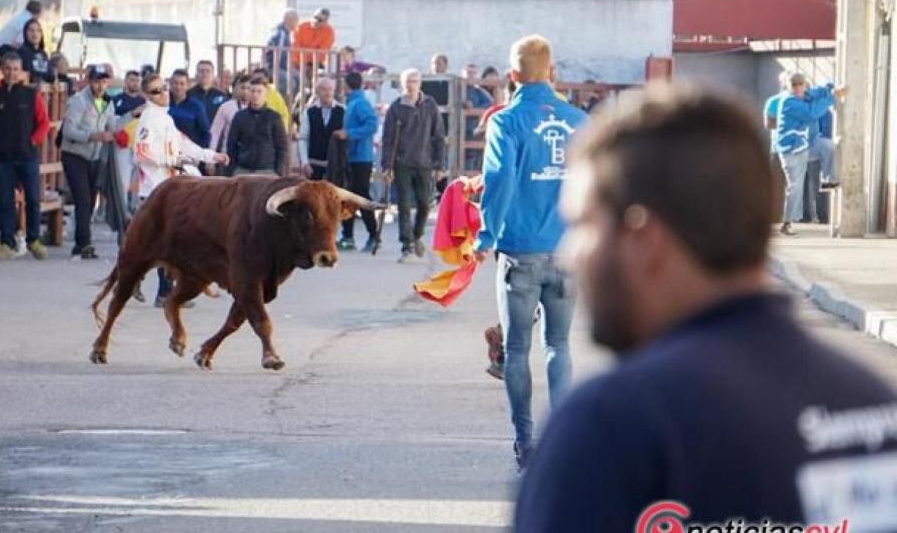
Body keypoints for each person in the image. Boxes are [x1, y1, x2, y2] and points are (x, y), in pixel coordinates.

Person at [515, 83, 897, 532]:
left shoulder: (611, 427)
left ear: (644, 238)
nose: (568, 255)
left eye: (581, 225)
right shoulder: (873, 407)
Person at [469, 35, 586, 470]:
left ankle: (525, 443)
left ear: (513, 76)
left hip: (520, 249)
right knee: (559, 343)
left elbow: (499, 180)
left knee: (516, 350)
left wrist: (485, 236)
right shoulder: (580, 121)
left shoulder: (506, 121)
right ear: (551, 72)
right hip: (567, 250)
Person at [133, 73, 229, 306]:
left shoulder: (165, 118)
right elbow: (141, 152)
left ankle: (149, 282)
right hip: (156, 188)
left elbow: (184, 143)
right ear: (147, 95)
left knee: (169, 241)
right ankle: (158, 288)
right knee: (166, 242)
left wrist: (211, 156)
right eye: (156, 91)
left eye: (164, 88)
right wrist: (170, 160)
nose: (164, 93)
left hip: (172, 187)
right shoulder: (149, 119)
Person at [0, 52, 51, 260]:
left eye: (15, 69)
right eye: (8, 68)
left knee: (34, 199)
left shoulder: (31, 95)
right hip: (3, 157)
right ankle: (6, 243)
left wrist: (33, 141)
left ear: (21, 72)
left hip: (28, 156)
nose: (11, 73)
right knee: (5, 201)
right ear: (1, 69)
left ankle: (34, 240)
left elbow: (44, 123)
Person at [381, 68, 447, 263]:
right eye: (408, 81)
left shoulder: (429, 104)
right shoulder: (396, 108)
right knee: (403, 204)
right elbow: (388, 139)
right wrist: (387, 166)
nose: (412, 85)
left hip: (425, 162)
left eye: (415, 81)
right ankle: (406, 246)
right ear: (403, 84)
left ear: (420, 84)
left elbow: (439, 135)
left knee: (425, 203)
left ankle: (417, 235)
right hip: (402, 162)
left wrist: (440, 164)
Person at [61, 65, 119, 259]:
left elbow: (113, 125)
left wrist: (131, 118)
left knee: (91, 198)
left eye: (104, 81)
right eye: (96, 81)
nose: (100, 86)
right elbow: (68, 131)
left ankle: (84, 242)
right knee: (83, 198)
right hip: (75, 154)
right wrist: (93, 136)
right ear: (89, 81)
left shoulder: (108, 102)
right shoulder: (78, 101)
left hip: (94, 156)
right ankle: (83, 243)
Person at [775, 73, 842, 236]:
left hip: (807, 146)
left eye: (801, 85)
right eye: (794, 86)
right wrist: (832, 98)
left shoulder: (805, 94)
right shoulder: (789, 102)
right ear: (789, 87)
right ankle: (787, 223)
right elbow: (812, 113)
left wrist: (830, 87)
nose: (798, 89)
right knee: (795, 186)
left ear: (805, 85)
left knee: (827, 146)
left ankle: (828, 181)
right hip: (792, 151)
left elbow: (817, 91)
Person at [335, 72, 380, 252]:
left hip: (361, 157)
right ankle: (348, 236)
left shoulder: (360, 104)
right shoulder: (353, 103)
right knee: (348, 196)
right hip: (352, 156)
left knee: (360, 196)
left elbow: (372, 125)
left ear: (347, 85)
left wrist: (349, 134)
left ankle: (373, 234)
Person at [225, 76, 288, 177]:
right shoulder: (239, 116)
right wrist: (232, 169)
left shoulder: (274, 117)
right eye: (252, 91)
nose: (255, 94)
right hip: (243, 170)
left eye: (259, 91)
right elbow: (231, 145)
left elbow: (282, 147)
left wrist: (279, 172)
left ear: (265, 94)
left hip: (268, 170)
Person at [298, 77, 344, 181]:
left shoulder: (343, 111)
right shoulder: (309, 112)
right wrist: (305, 163)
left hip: (336, 168)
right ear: (317, 91)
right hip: (314, 166)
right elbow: (303, 139)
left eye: (330, 89)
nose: (327, 93)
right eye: (323, 89)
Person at [167, 69, 211, 149]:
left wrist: (200, 155)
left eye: (182, 84)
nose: (178, 87)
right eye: (175, 83)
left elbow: (205, 133)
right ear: (170, 84)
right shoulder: (162, 103)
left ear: (188, 85)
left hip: (189, 155)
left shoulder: (196, 106)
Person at [210, 72, 250, 153]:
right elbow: (215, 133)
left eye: (248, 88)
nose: (245, 91)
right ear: (235, 88)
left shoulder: (257, 109)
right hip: (227, 156)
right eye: (242, 87)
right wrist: (212, 156)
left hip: (249, 158)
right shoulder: (226, 107)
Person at [291, 8, 335, 74]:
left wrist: (311, 67)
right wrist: (301, 64)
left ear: (325, 22)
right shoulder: (301, 27)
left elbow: (322, 52)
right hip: (297, 63)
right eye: (315, 17)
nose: (315, 21)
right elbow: (294, 47)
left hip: (315, 64)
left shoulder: (329, 31)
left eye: (320, 20)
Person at [265, 8, 299, 93]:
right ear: (288, 19)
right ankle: (280, 104)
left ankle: (292, 105)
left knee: (300, 79)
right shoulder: (281, 33)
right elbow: (278, 54)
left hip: (283, 67)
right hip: (273, 67)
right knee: (289, 82)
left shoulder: (286, 33)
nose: (297, 22)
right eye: (296, 19)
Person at [188, 60, 230, 125]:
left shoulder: (222, 97)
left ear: (213, 74)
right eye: (201, 71)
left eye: (208, 71)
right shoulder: (187, 95)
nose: (204, 74)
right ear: (196, 74)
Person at [18, 18, 52, 84]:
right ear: (25, 33)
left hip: (46, 88)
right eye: (31, 30)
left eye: (38, 30)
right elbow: (29, 72)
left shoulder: (43, 53)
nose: (35, 33)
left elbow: (51, 74)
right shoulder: (22, 52)